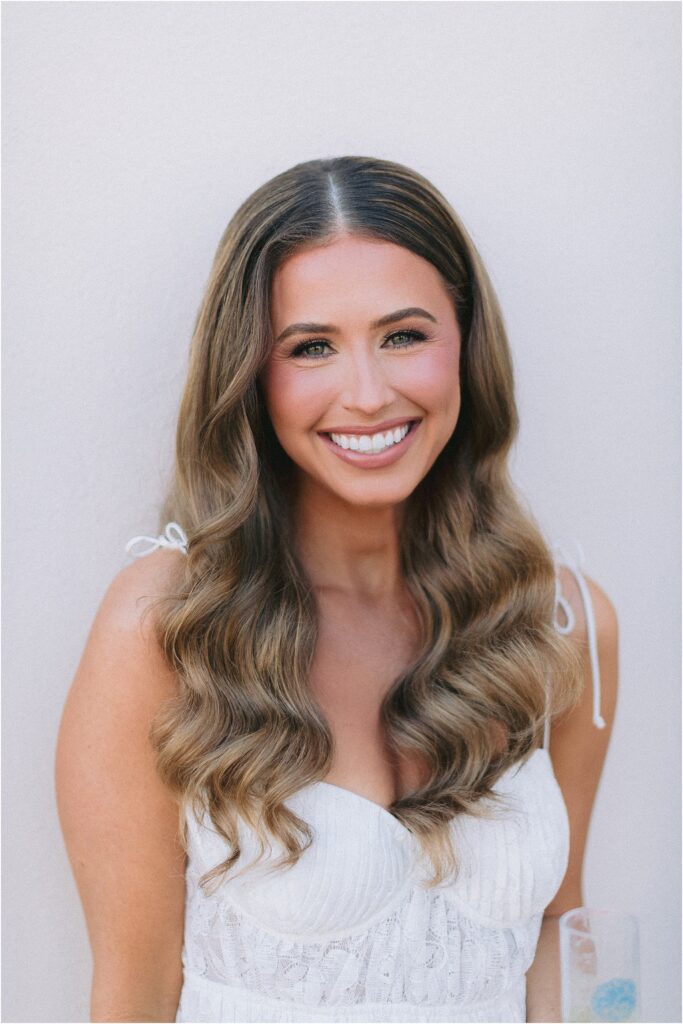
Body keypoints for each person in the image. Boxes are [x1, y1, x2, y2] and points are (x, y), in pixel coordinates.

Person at [55, 156, 618, 1024]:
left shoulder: (560, 625)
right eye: (311, 347)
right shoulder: (166, 624)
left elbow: (557, 933)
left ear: (464, 345)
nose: (367, 393)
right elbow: (131, 996)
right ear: (249, 374)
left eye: (403, 336)